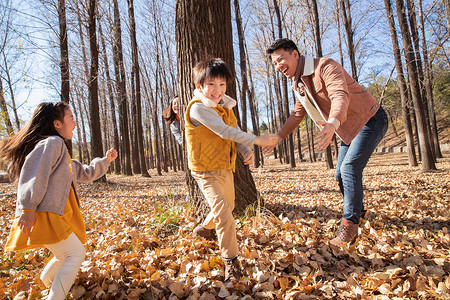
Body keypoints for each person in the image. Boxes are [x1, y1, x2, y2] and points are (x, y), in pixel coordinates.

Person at [264, 38, 388, 246]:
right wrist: (278, 136)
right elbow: (296, 115)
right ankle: (359, 211)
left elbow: (340, 94)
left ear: (295, 54)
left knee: (349, 169)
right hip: (346, 128)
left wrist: (332, 122)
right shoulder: (299, 84)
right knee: (340, 174)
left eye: (281, 59)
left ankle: (349, 228)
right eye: (274, 63)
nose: (278, 66)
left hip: (369, 119)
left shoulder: (325, 66)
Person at [0, 102, 118, 299]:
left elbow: (85, 172)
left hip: (54, 214)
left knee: (64, 255)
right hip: (45, 214)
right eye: (71, 118)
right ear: (56, 123)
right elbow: (35, 174)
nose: (75, 123)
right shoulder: (53, 143)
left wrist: (105, 161)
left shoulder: (60, 152)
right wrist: (27, 208)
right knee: (75, 254)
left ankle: (45, 285)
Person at [185, 58, 278, 282]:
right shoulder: (198, 108)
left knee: (229, 206)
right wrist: (257, 139)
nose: (217, 90)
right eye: (211, 85)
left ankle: (203, 229)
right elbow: (224, 131)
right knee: (225, 215)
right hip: (205, 170)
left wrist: (245, 149)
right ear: (200, 87)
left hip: (224, 166)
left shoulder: (226, 106)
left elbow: (234, 130)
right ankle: (231, 262)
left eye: (222, 84)